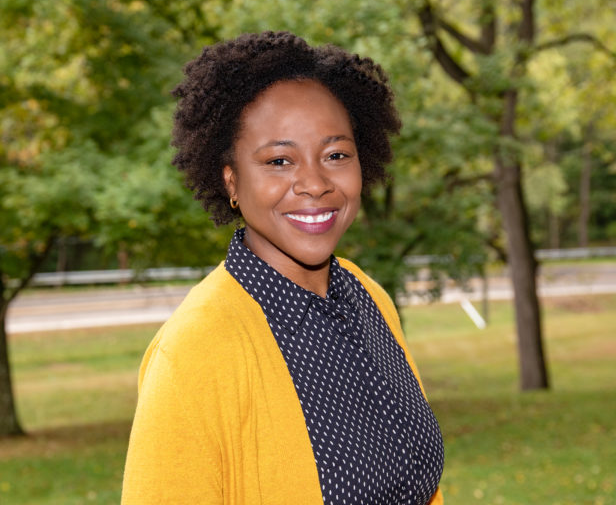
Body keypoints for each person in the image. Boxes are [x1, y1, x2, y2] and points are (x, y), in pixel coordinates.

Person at [121, 31, 444, 504]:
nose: (314, 183)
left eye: (336, 155)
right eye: (279, 160)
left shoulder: (370, 299)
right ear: (232, 181)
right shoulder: (192, 352)